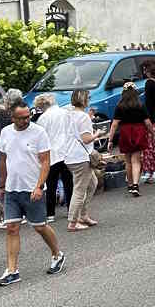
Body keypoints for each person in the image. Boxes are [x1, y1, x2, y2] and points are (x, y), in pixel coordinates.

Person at [0, 103, 65, 286]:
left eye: (28, 116)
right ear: (13, 118)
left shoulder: (38, 132)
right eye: (21, 117)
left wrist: (39, 186)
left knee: (40, 226)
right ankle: (12, 270)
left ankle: (57, 254)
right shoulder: (6, 133)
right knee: (12, 228)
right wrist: (2, 184)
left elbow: (45, 162)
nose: (26, 120)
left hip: (33, 188)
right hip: (12, 189)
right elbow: (3, 160)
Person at [62, 89, 103, 233]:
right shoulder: (83, 117)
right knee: (79, 190)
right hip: (81, 157)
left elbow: (76, 131)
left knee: (92, 183)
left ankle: (83, 215)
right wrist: (97, 133)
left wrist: (89, 118)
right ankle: (73, 221)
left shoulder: (68, 114)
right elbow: (86, 138)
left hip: (70, 156)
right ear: (85, 100)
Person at [32, 94, 73, 225]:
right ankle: (70, 210)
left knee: (51, 184)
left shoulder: (43, 118)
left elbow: (40, 137)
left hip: (52, 154)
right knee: (68, 182)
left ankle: (50, 213)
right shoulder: (65, 112)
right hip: (66, 151)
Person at [107, 84, 153, 196]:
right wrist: (152, 133)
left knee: (128, 161)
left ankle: (130, 184)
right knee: (136, 161)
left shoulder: (120, 106)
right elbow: (147, 123)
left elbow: (114, 124)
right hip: (138, 132)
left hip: (125, 133)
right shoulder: (140, 105)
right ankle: (136, 185)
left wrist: (110, 140)